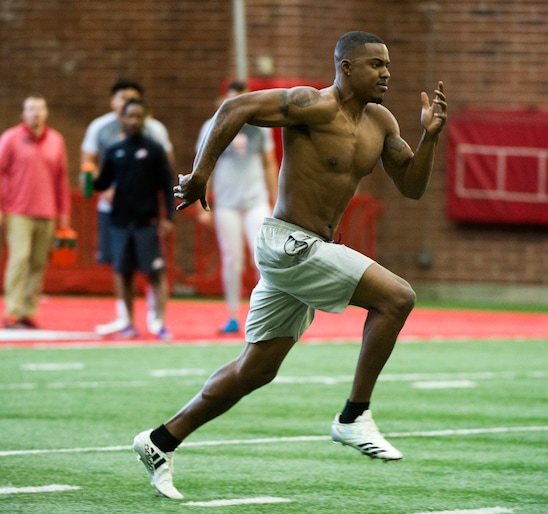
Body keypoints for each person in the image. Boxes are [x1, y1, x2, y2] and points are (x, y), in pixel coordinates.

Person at [131, 31, 447, 499]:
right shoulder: (311, 105)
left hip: (310, 249)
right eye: (376, 64)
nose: (386, 73)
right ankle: (353, 415)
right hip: (287, 243)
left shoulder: (381, 122)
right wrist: (200, 174)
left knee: (256, 369)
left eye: (388, 65)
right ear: (346, 67)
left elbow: (412, 186)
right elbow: (233, 109)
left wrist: (428, 137)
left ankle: (160, 441)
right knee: (397, 297)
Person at [81, 79, 175, 338]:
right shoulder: (114, 150)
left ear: (145, 118)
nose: (133, 120)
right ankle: (128, 322)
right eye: (129, 116)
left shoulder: (154, 149)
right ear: (121, 119)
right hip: (120, 220)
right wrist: (88, 179)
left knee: (155, 272)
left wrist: (169, 216)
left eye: (138, 116)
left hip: (147, 219)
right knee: (122, 271)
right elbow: (101, 182)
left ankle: (159, 322)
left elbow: (166, 184)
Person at [196, 80, 278, 334]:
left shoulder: (259, 129)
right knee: (232, 260)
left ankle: (264, 312)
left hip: (255, 200)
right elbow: (203, 166)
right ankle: (232, 314)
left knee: (262, 257)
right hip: (228, 204)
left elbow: (269, 163)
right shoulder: (212, 126)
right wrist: (202, 203)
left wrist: (274, 199)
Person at [0, 95, 71, 328]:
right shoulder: (10, 139)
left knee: (39, 263)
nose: (35, 113)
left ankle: (28, 312)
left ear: (46, 113)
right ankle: (12, 311)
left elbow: (61, 179)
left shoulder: (56, 141)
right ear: (24, 114)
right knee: (19, 258)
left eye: (39, 109)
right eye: (31, 109)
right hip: (17, 210)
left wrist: (63, 213)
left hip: (47, 211)